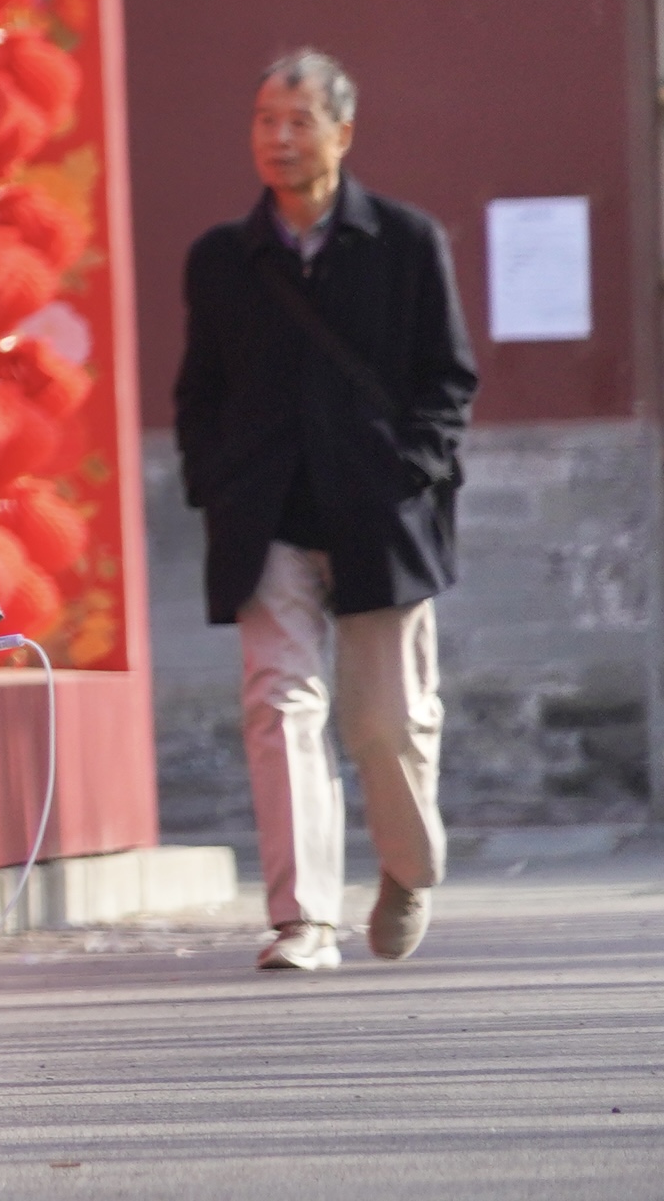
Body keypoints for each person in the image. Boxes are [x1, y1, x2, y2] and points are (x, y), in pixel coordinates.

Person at [174, 48, 475, 974]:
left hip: (381, 515)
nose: (279, 138)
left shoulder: (406, 241)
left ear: (343, 133)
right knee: (280, 705)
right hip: (266, 516)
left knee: (388, 724)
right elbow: (199, 392)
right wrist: (214, 483)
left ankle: (407, 870)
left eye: (299, 121)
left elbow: (448, 379)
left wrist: (410, 469)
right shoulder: (223, 258)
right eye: (266, 119)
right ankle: (303, 917)